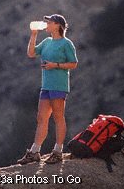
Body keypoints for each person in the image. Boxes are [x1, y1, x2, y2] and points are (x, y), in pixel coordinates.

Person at [17, 14, 78, 165]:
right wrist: (33, 35)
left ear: (57, 25)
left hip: (59, 85)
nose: (46, 24)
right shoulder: (46, 42)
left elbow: (73, 63)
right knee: (41, 118)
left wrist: (55, 65)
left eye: (49, 22)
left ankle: (58, 151)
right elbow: (31, 53)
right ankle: (34, 152)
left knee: (58, 117)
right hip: (46, 86)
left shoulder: (66, 43)